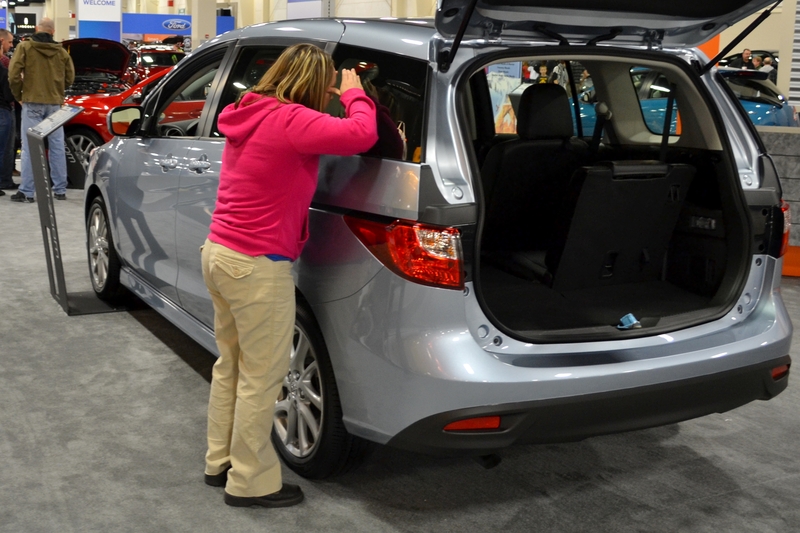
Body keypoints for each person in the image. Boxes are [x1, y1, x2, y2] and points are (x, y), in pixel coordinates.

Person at [200, 43, 377, 508]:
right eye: (326, 85)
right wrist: (354, 93)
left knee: (231, 366)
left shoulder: (250, 110)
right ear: (314, 85)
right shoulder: (292, 120)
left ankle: (219, 462)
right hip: (255, 265)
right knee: (262, 377)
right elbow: (362, 134)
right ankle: (250, 482)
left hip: (219, 253)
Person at [7, 18, 74, 203]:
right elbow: (70, 77)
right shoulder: (61, 51)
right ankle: (60, 190)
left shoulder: (25, 47)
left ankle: (27, 192)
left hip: (32, 102)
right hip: (54, 104)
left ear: (36, 29)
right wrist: (58, 90)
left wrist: (19, 94)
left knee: (30, 148)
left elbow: (13, 74)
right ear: (53, 32)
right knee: (57, 146)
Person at [0, 29, 16, 192]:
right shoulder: (5, 62)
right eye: (9, 42)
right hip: (4, 109)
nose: (11, 46)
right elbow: (9, 92)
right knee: (5, 148)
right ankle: (4, 180)